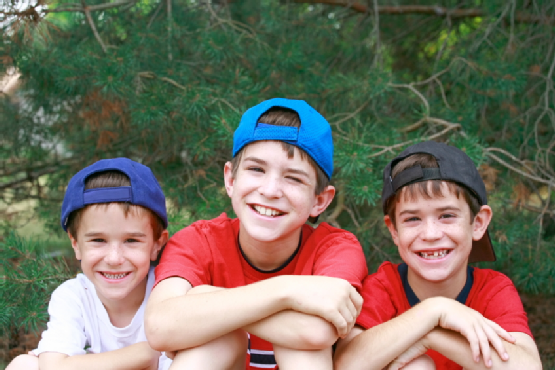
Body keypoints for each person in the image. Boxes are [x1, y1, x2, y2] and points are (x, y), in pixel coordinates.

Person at [145, 98, 368, 370]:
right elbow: (159, 327)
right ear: (230, 179)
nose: (270, 190)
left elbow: (316, 332)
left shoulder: (335, 248)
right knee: (219, 341)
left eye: (294, 178)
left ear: (319, 200)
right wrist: (285, 291)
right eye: (256, 169)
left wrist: (204, 298)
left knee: (305, 351)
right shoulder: (198, 241)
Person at [334, 141, 542, 370]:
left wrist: (430, 336)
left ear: (478, 223)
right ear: (394, 230)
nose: (431, 234)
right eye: (412, 219)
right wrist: (435, 310)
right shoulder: (385, 287)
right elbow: (346, 364)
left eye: (447, 215)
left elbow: (528, 366)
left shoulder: (492, 290)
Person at [6, 158, 171, 370]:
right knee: (23, 365)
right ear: (75, 244)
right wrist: (145, 355)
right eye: (98, 241)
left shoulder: (168, 291)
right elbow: (53, 367)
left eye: (131, 240)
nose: (114, 258)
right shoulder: (74, 296)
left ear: (158, 243)